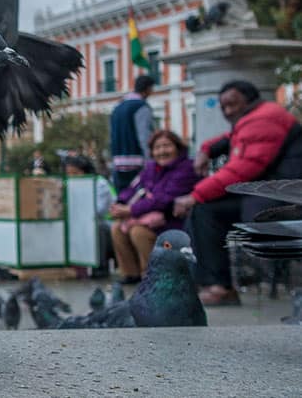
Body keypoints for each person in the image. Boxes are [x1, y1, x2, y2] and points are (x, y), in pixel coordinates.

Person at [174, 80, 302, 305]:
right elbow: (232, 139)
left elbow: (242, 169)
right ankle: (211, 283)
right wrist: (206, 149)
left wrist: (195, 195)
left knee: (204, 210)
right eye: (223, 107)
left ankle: (218, 286)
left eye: (232, 104)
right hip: (269, 193)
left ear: (249, 99)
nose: (227, 111)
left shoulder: (264, 119)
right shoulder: (255, 118)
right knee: (204, 211)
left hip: (280, 199)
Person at [109, 130, 198, 282]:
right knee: (117, 228)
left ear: (177, 148)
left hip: (172, 221)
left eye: (167, 146)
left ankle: (153, 276)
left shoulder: (186, 168)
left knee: (139, 232)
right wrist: (120, 204)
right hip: (148, 217)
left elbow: (164, 200)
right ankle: (131, 274)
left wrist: (131, 210)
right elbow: (133, 188)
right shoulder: (150, 169)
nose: (162, 151)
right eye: (157, 148)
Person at [109, 75, 155, 193]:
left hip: (118, 162)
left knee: (122, 199)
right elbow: (144, 136)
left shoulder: (117, 107)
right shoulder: (141, 107)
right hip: (137, 162)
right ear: (148, 89)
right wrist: (150, 161)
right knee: (138, 200)